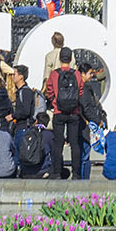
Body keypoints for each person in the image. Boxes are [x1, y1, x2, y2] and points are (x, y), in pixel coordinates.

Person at [45, 47, 87, 179]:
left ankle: (57, 172)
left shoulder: (54, 74)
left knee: (58, 143)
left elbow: (49, 90)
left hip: (59, 111)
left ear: (59, 58)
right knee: (74, 143)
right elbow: (80, 91)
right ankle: (76, 173)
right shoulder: (77, 74)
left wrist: (54, 101)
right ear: (71, 58)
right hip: (74, 112)